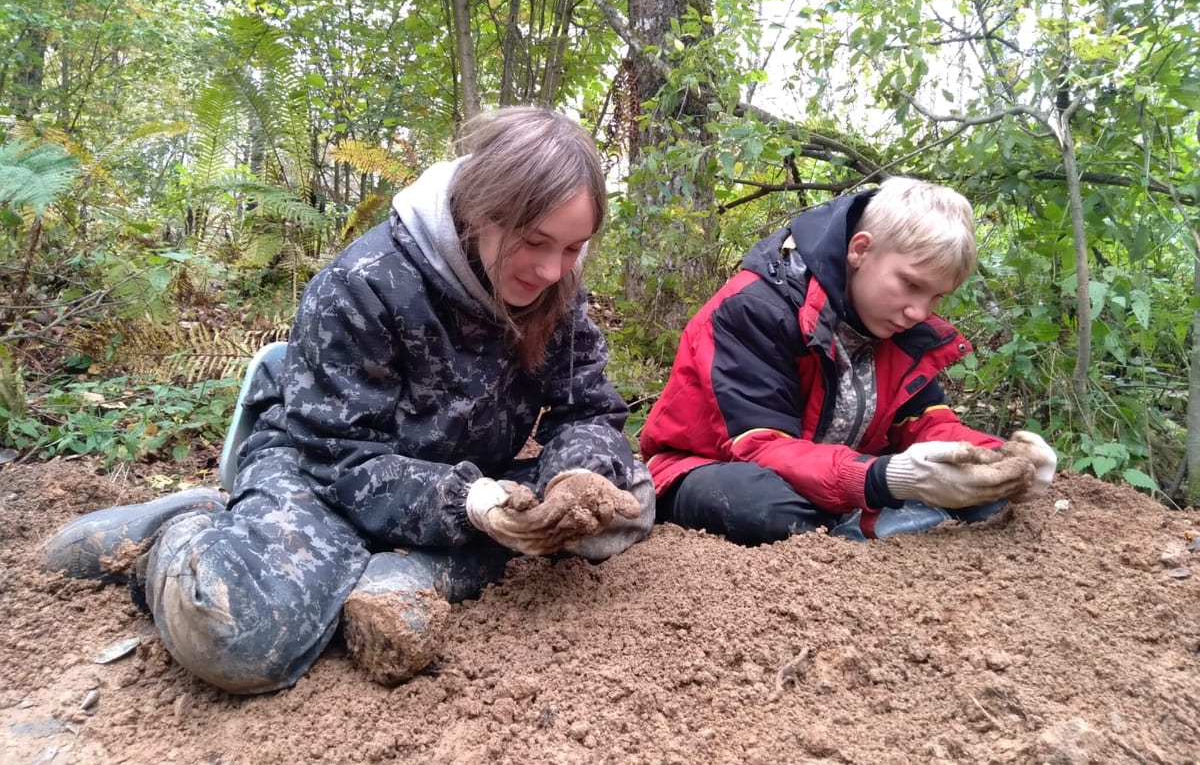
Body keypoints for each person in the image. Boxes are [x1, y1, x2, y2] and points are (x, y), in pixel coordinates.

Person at [42, 106, 655, 693]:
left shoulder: (556, 291)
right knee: (233, 636)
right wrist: (470, 503)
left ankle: (406, 571)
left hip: (460, 476)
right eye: (534, 241)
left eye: (573, 248)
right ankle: (185, 533)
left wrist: (575, 476)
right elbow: (338, 457)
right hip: (325, 473)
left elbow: (588, 407)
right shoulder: (362, 283)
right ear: (479, 210)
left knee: (625, 498)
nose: (552, 271)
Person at [639, 177, 1057, 544]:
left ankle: (868, 524)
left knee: (986, 496)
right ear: (861, 249)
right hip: (709, 467)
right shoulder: (755, 308)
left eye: (935, 297)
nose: (919, 311)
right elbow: (760, 448)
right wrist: (885, 479)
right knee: (764, 508)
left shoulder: (901, 328)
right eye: (910, 284)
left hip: (836, 474)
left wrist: (1002, 459)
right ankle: (882, 522)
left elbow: (927, 423)